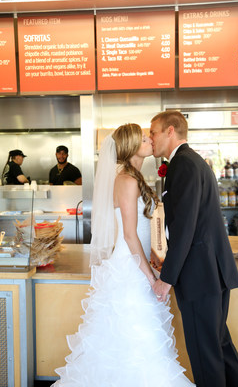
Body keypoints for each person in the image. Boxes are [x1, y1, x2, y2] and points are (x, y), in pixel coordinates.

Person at [51, 124, 194, 387]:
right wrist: (151, 278)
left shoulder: (135, 176)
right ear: (130, 147)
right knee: (132, 339)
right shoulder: (126, 180)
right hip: (130, 268)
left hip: (139, 264)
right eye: (144, 139)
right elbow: (129, 236)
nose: (151, 141)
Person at [150, 111, 238, 387]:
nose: (151, 138)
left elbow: (184, 227)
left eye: (153, 132)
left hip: (199, 276)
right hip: (213, 271)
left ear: (170, 131)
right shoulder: (194, 162)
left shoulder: (182, 164)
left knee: (206, 355)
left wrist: (166, 278)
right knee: (219, 345)